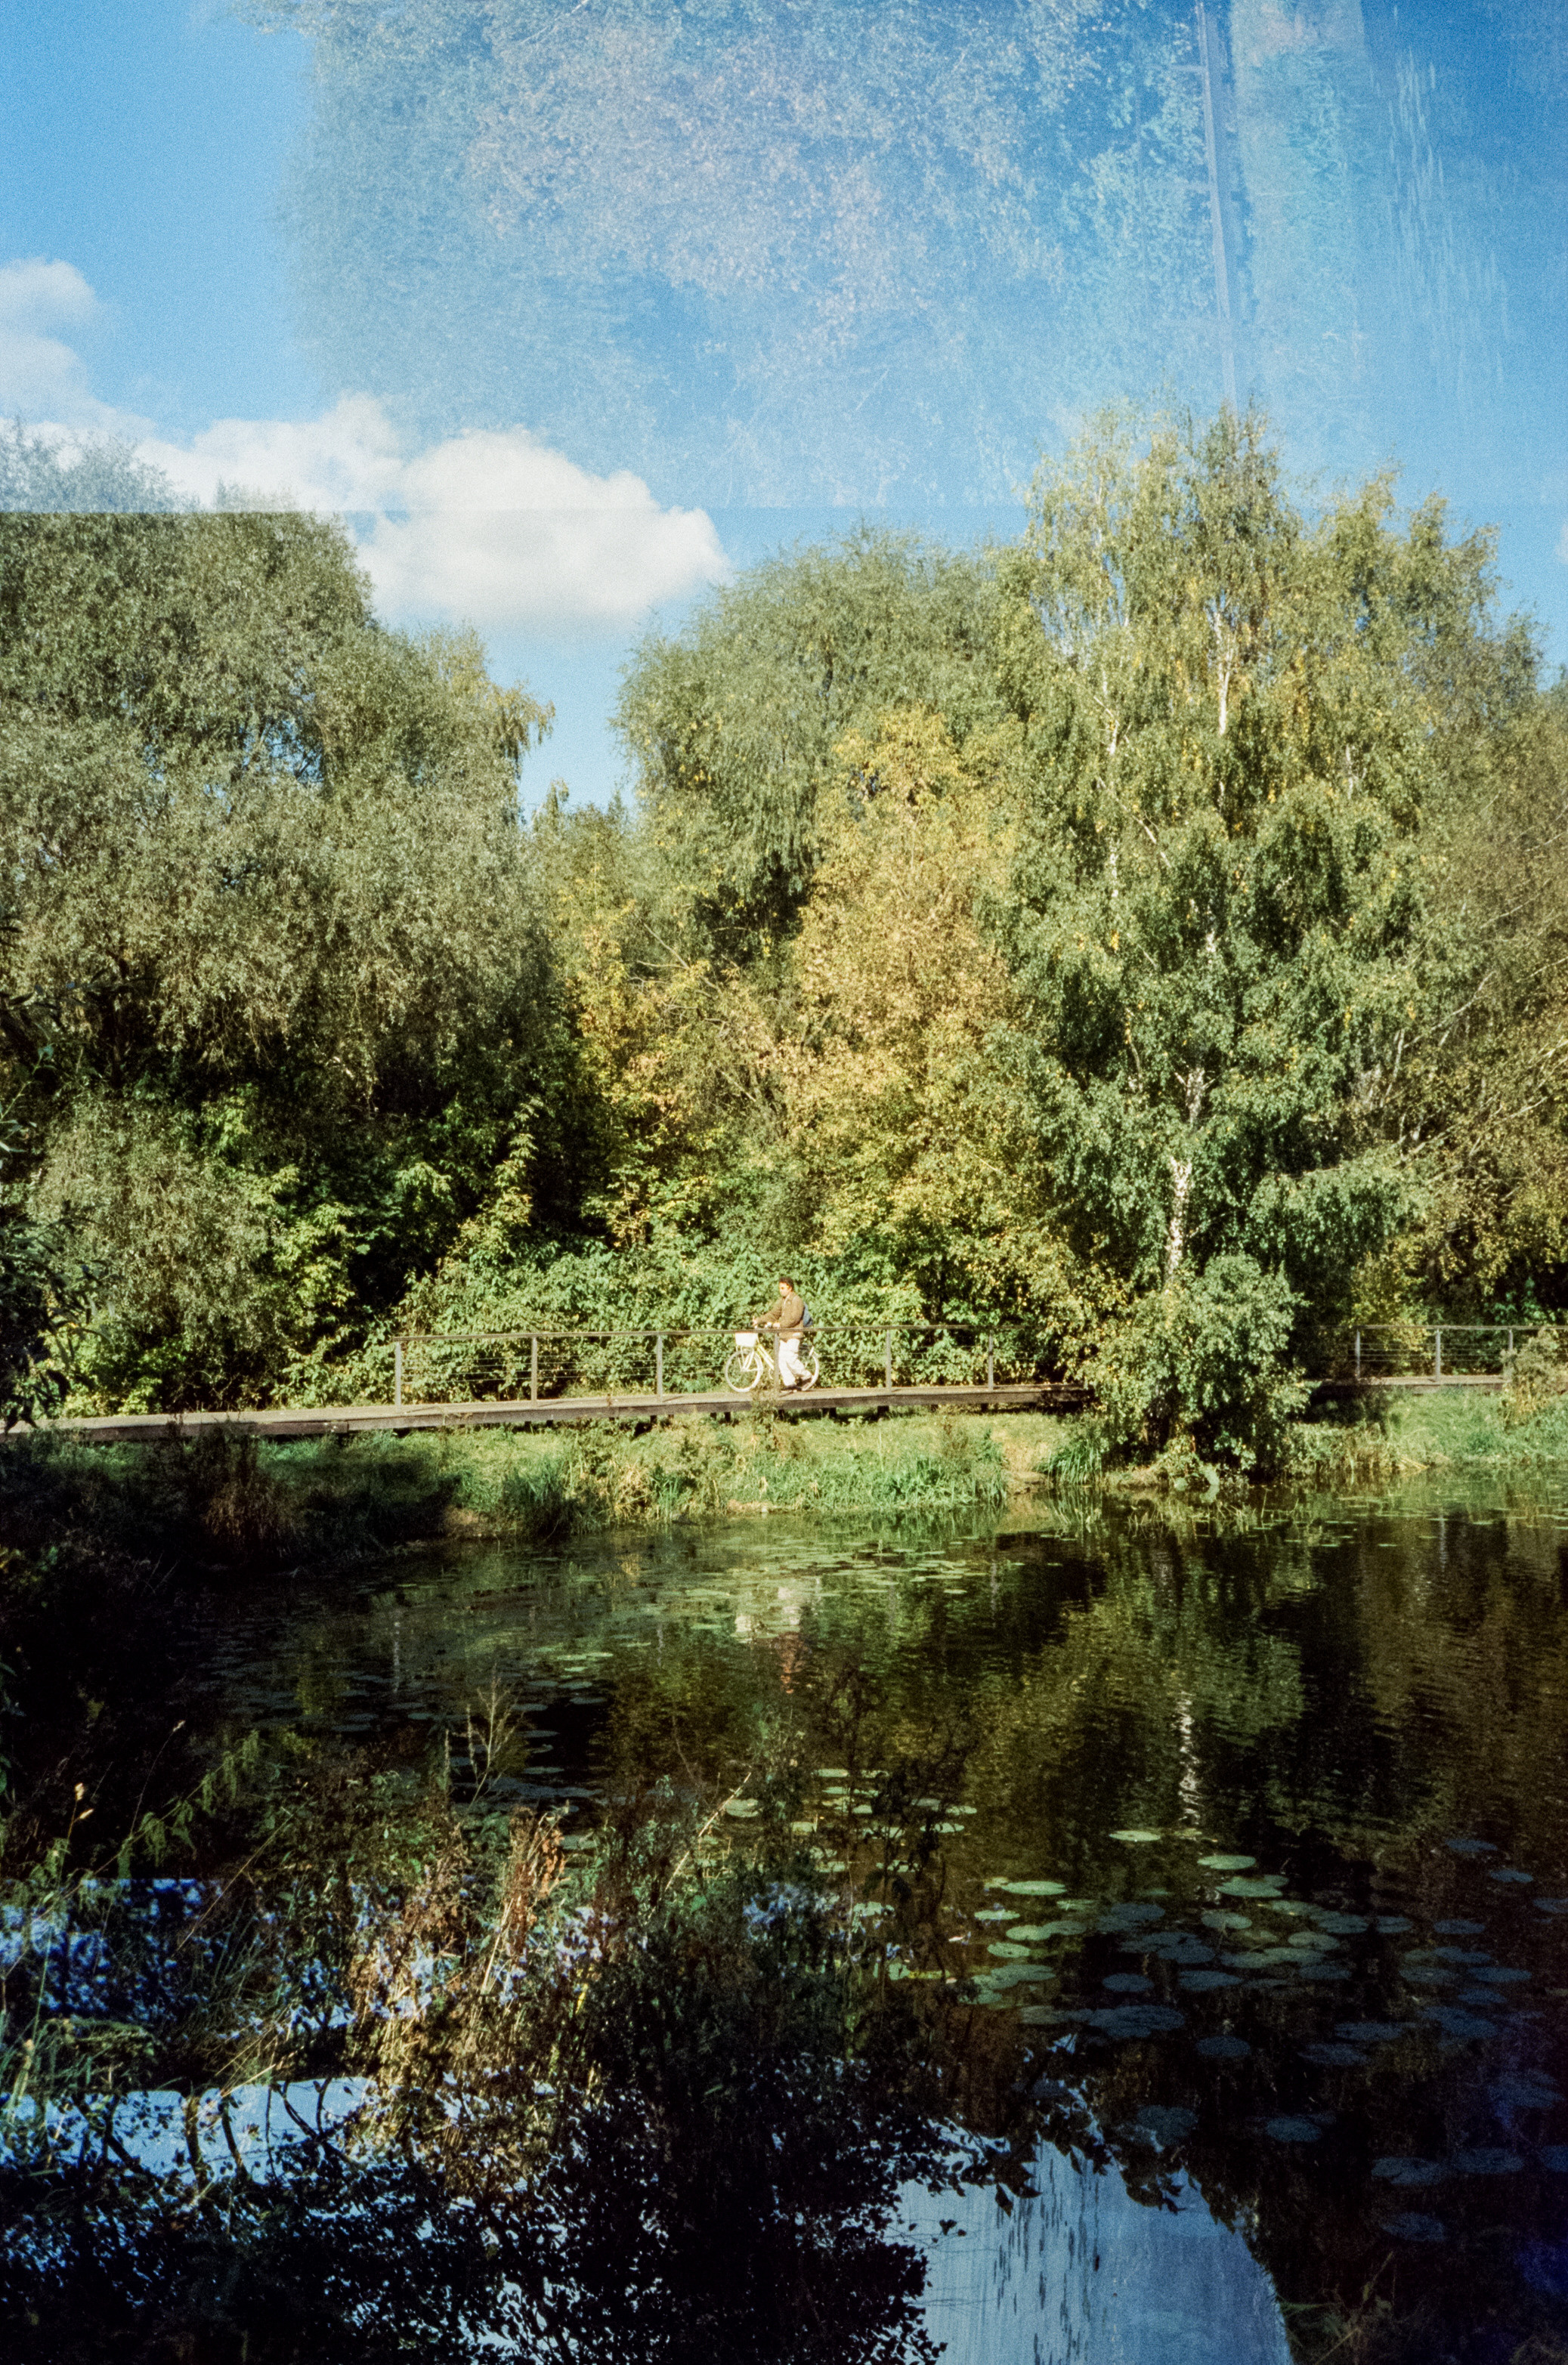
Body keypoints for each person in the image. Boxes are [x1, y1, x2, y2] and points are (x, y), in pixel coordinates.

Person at [759, 1275, 809, 1390]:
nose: (780, 1291)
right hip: (785, 1335)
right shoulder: (783, 1301)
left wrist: (779, 1325)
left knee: (790, 1358)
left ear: (790, 1288)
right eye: (780, 1288)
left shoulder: (797, 1300)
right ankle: (790, 1383)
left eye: (783, 1288)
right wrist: (758, 1320)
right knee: (781, 1359)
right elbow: (773, 1314)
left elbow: (794, 1319)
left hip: (794, 1334)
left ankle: (806, 1376)